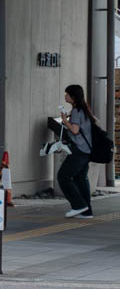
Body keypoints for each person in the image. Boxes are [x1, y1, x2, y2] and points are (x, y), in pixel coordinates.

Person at [56, 84, 98, 219]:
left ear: (73, 97)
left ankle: (79, 205)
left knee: (63, 177)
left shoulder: (76, 111)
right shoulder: (84, 110)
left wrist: (64, 120)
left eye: (67, 94)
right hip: (87, 151)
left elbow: (75, 130)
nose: (65, 96)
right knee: (81, 179)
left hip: (79, 151)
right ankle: (86, 212)